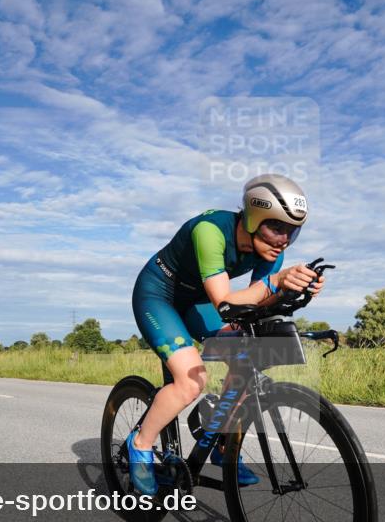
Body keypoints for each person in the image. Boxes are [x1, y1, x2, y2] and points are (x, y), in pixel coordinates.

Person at [128, 174, 324, 495]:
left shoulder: (272, 252)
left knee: (247, 354)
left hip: (196, 302)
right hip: (158, 296)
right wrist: (277, 282)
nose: (284, 239)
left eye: (292, 231)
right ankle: (141, 443)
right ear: (253, 217)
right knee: (191, 382)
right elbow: (224, 303)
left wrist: (293, 290)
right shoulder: (211, 231)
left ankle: (219, 440)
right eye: (277, 227)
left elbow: (257, 302)